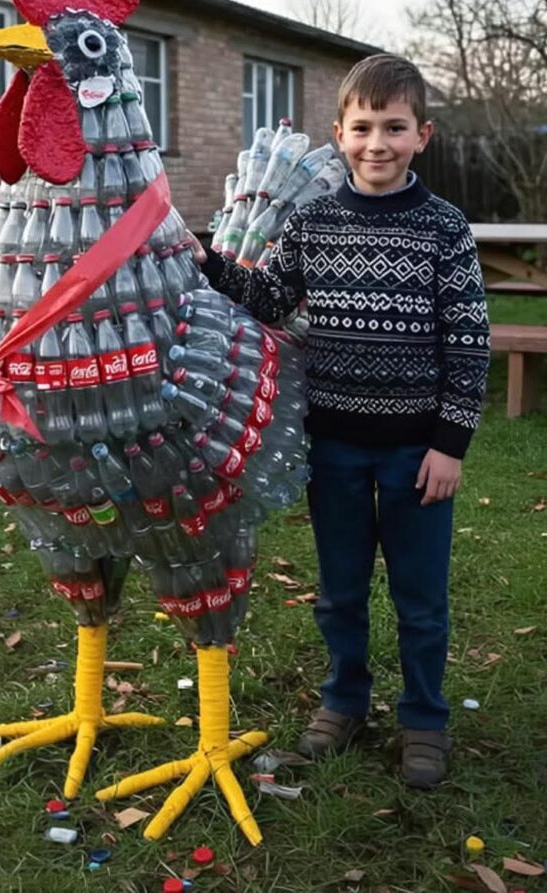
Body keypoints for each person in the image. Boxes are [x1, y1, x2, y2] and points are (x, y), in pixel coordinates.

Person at [192, 53, 490, 788]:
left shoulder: (444, 228)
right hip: (335, 448)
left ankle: (424, 716)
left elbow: (469, 338)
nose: (377, 143)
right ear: (340, 132)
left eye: (394, 127)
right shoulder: (313, 221)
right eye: (363, 127)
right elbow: (268, 296)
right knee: (341, 589)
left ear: (423, 134)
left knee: (421, 597)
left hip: (419, 453)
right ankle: (344, 700)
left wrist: (449, 444)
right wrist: (203, 261)